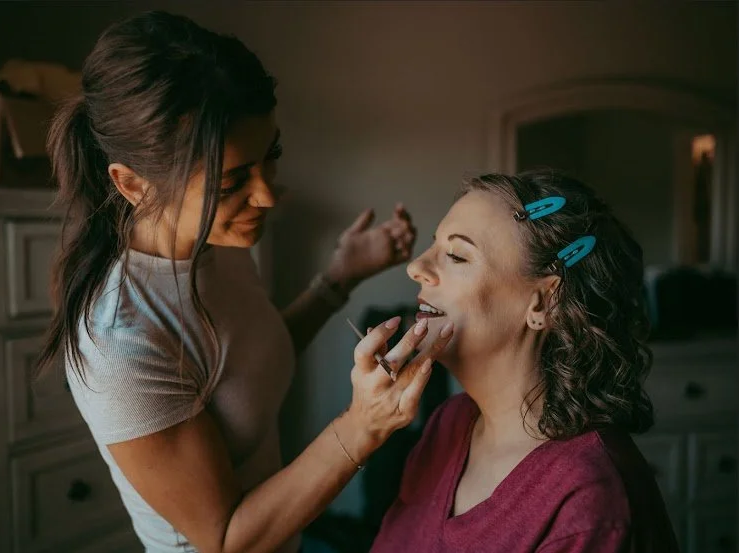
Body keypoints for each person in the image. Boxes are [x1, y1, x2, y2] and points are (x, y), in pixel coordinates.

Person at [34, 10, 455, 553]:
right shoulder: (119, 339)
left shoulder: (217, 244)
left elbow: (241, 367)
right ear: (132, 183)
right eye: (233, 181)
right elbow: (228, 538)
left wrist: (338, 277)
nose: (267, 195)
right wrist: (363, 427)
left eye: (269, 156)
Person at [369, 170, 680, 552]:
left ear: (543, 302)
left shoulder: (588, 499)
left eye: (456, 255)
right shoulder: (449, 424)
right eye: (434, 246)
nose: (415, 267)